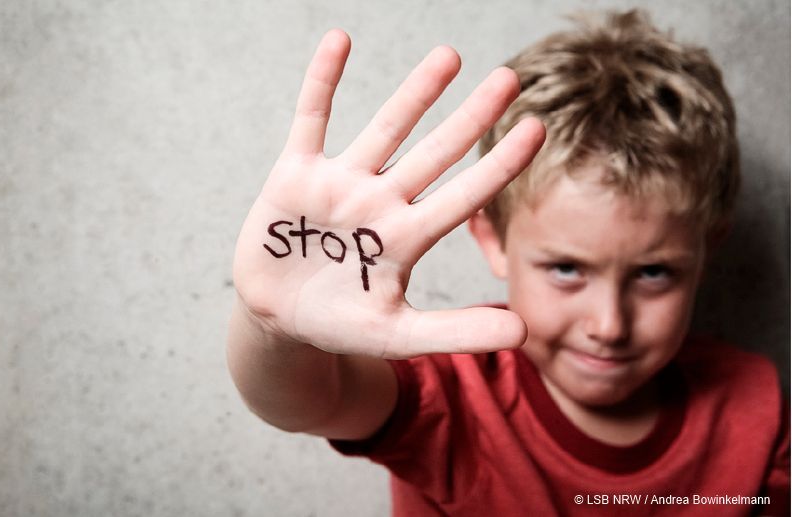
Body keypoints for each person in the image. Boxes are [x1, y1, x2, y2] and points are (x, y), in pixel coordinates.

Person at [226, 9, 789, 516]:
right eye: (566, 269)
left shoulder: (757, 409)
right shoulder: (455, 393)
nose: (608, 325)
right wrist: (270, 324)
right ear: (492, 240)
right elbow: (312, 401)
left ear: (706, 252)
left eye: (653, 273)